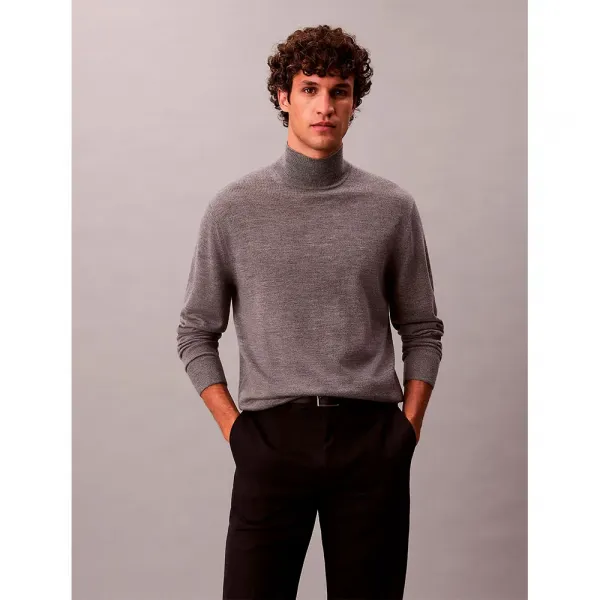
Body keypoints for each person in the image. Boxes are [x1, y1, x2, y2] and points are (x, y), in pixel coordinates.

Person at [176, 24, 444, 600]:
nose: (325, 106)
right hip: (271, 440)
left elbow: (422, 329)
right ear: (284, 97)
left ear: (353, 103)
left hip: (371, 441)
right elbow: (195, 332)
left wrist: (407, 428)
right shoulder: (234, 209)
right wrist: (236, 432)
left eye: (339, 92)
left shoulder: (392, 208)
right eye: (309, 89)